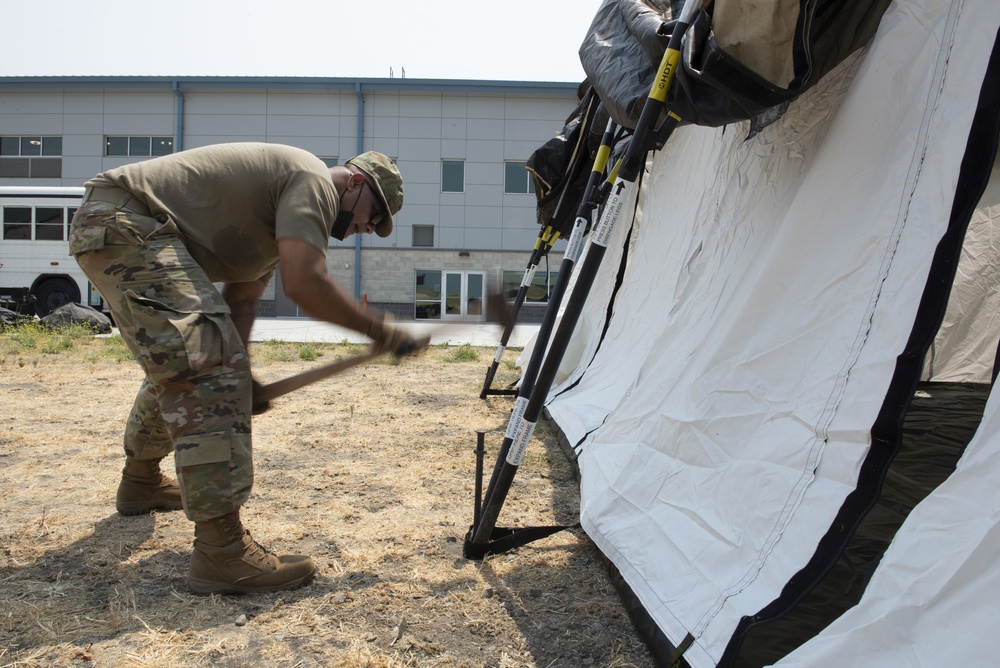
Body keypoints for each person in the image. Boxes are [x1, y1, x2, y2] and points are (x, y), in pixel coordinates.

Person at [69, 142, 419, 595]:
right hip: (128, 224)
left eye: (376, 225)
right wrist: (382, 331)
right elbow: (305, 283)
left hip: (118, 224)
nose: (367, 228)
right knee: (207, 365)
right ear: (354, 182)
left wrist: (244, 375)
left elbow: (242, 301)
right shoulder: (311, 179)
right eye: (373, 213)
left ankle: (141, 482)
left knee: (189, 357)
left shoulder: (279, 218)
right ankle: (223, 552)